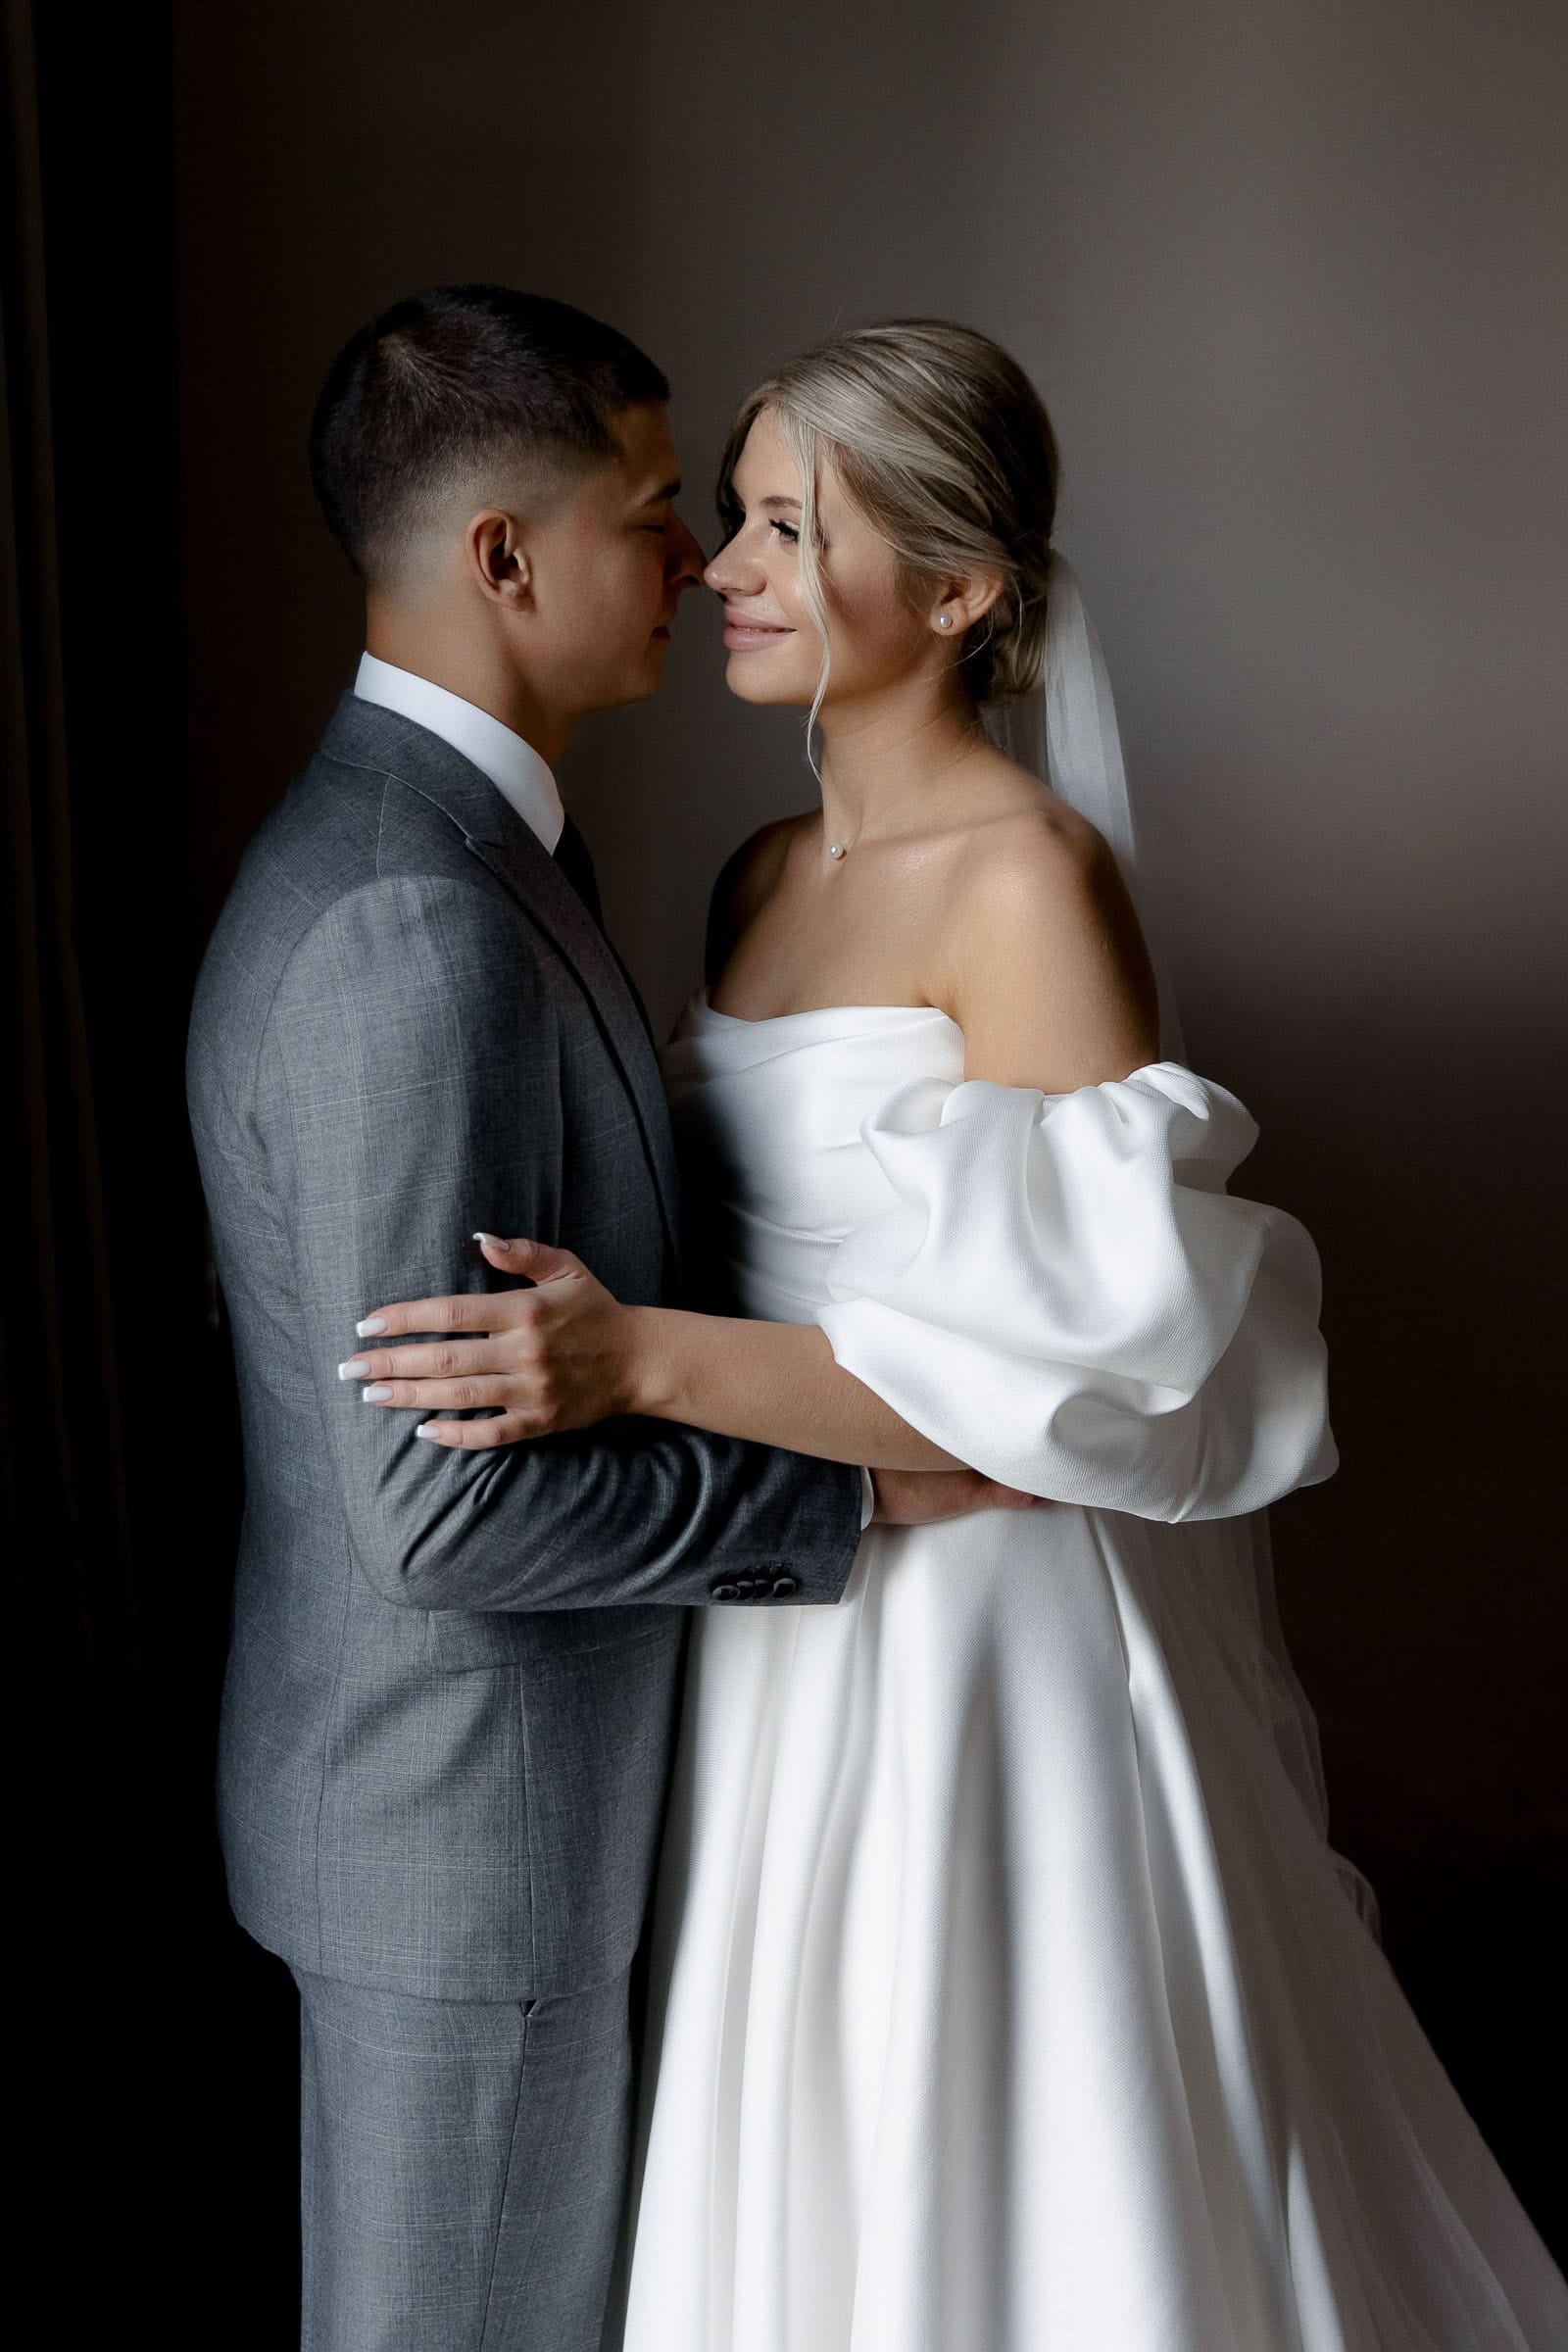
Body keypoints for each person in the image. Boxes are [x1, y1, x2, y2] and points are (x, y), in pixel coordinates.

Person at [353, 322, 1568, 2348]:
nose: (720, 567)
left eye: (781, 525)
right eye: (725, 517)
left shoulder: (1027, 887)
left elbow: (1051, 1394)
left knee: (988, 2129)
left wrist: (632, 1362)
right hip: (776, 1595)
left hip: (972, 1628)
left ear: (959, 588)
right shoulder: (749, 878)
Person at [186, 286, 1014, 2352]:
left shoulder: (451, 851)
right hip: (465, 1829)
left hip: (443, 1804)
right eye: (656, 513)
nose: (697, 562)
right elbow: (437, 1516)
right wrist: (860, 1499)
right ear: (504, 560)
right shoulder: (413, 917)